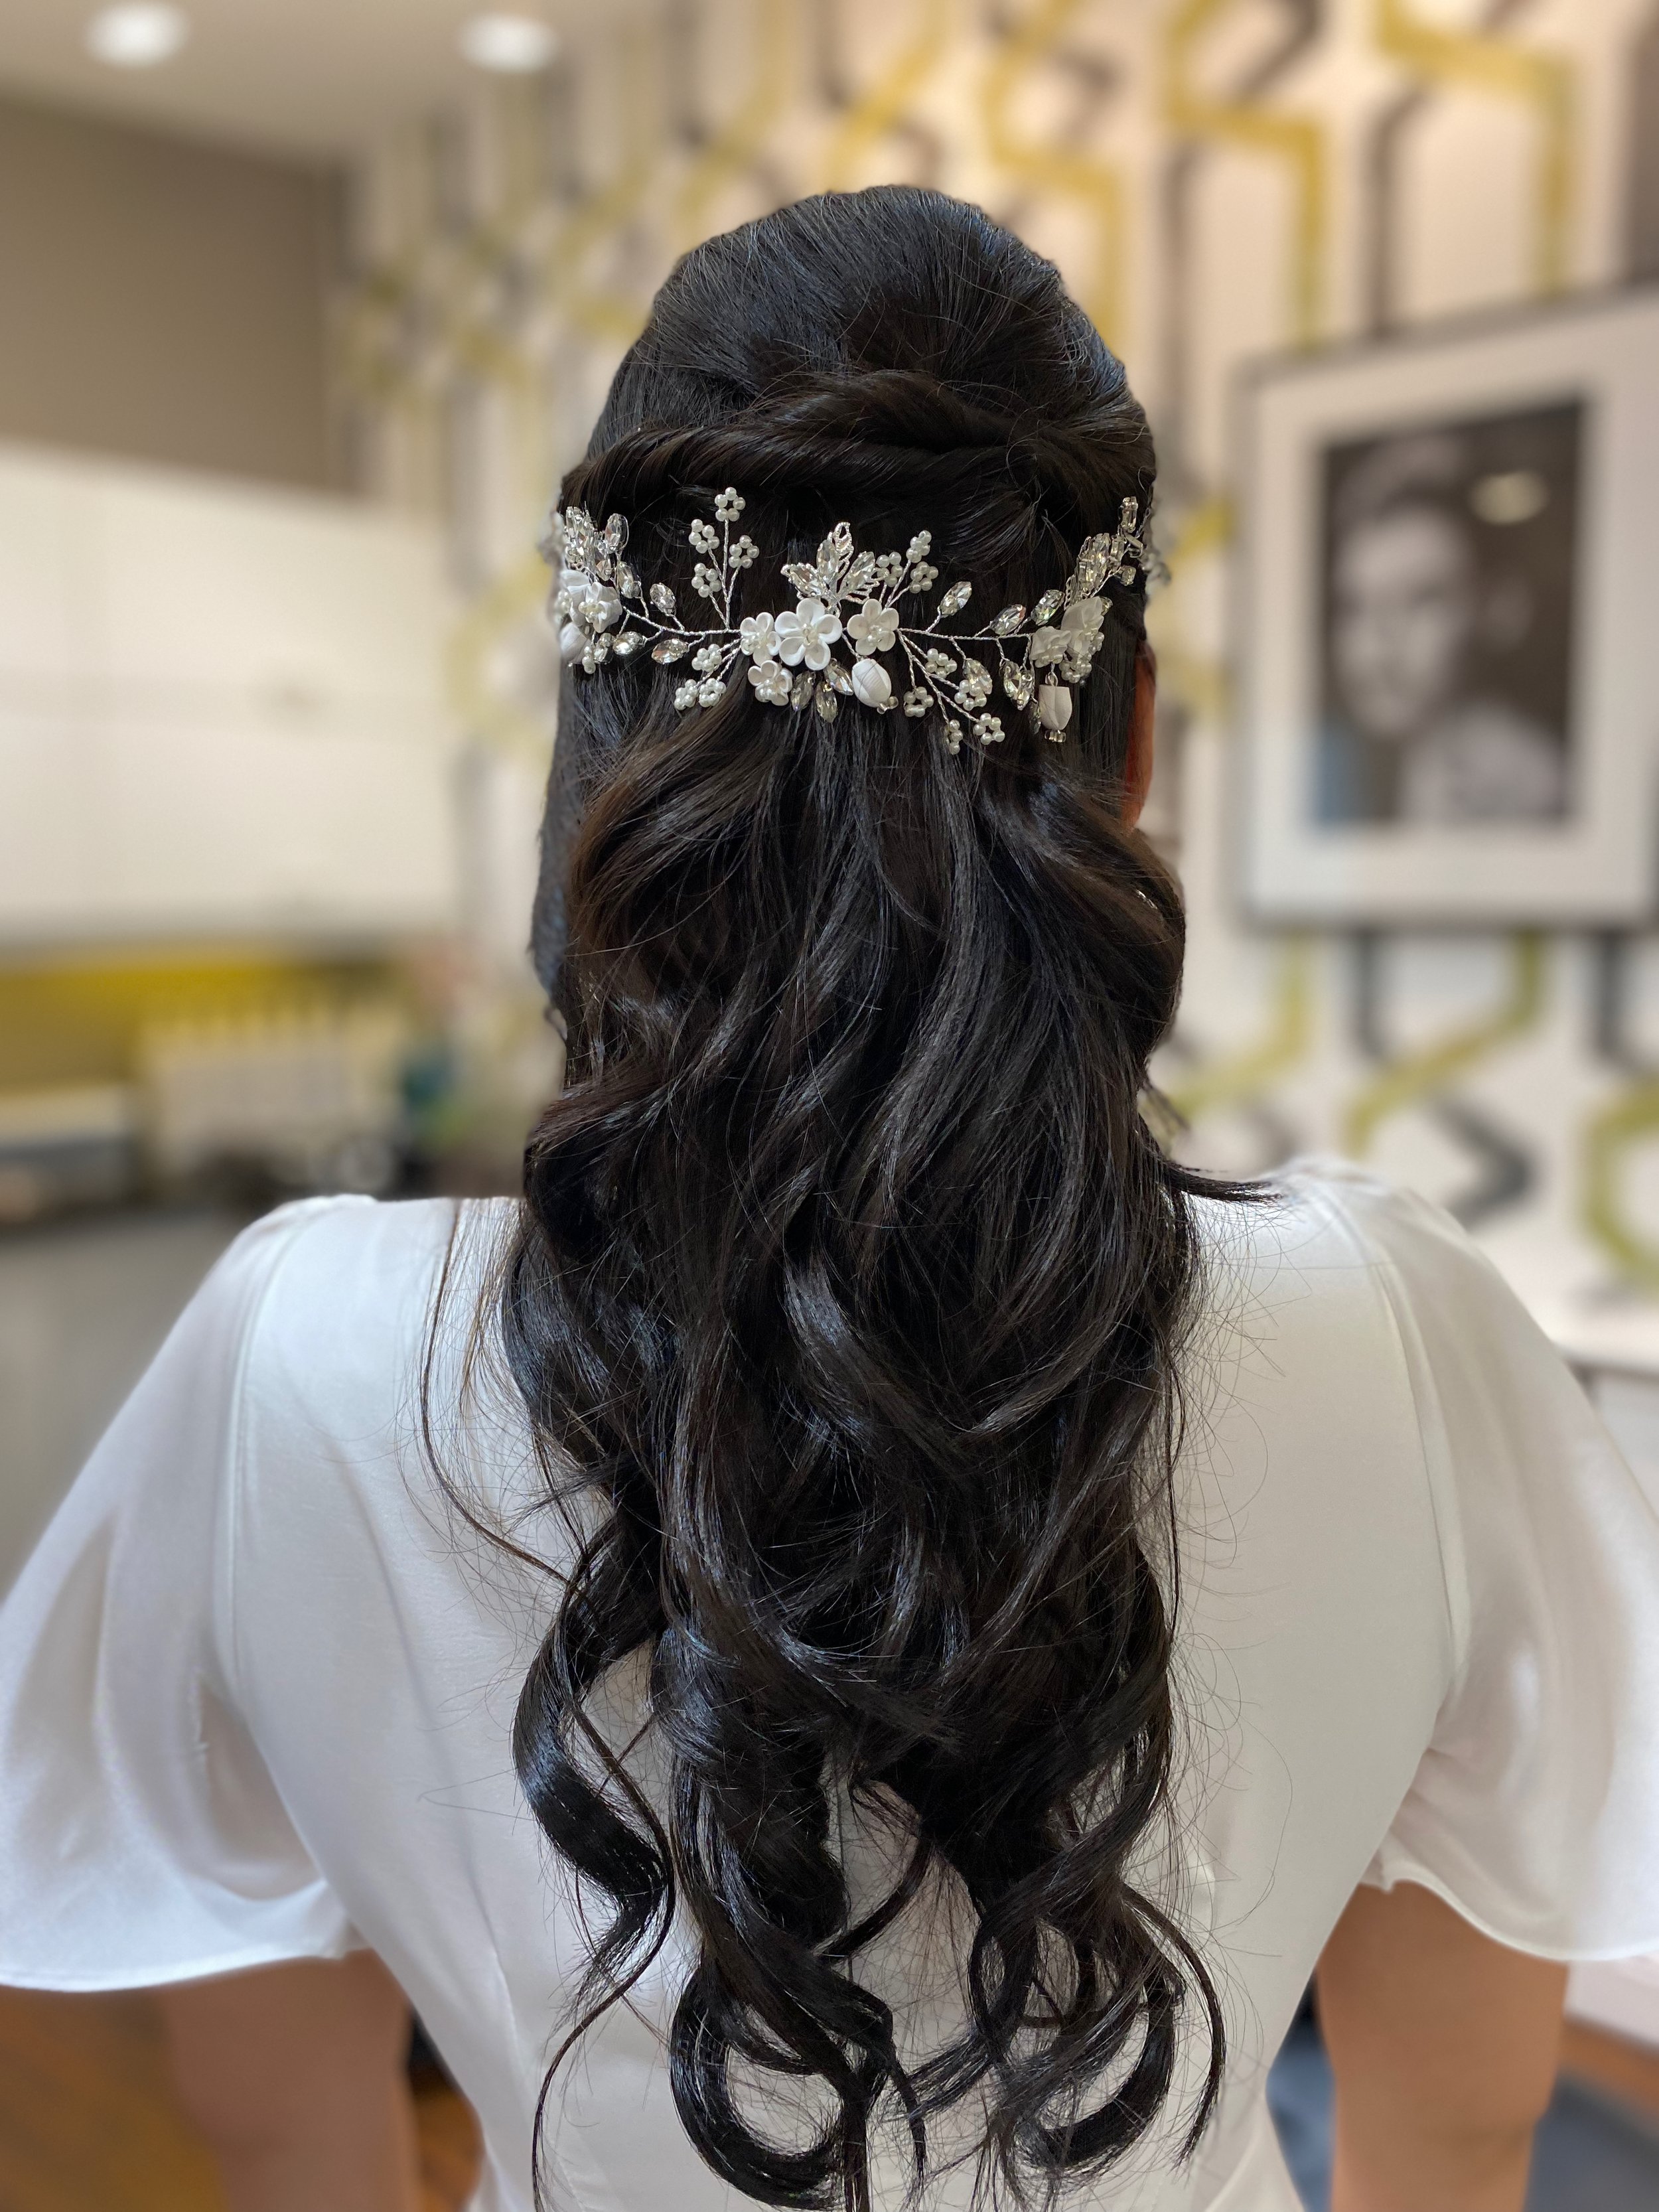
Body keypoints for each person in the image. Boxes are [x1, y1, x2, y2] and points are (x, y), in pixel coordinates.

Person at [2, 187, 1657, 2212]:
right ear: (1121, 748)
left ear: (602, 761)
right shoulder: (1402, 1337)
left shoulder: (296, 1357)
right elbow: (1463, 2114)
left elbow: (285, 2130)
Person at [1317, 430, 1569, 826]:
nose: (1381, 639)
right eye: (1356, 606)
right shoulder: (1398, 774)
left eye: (1421, 600)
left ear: (1499, 608)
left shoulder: (1530, 789)